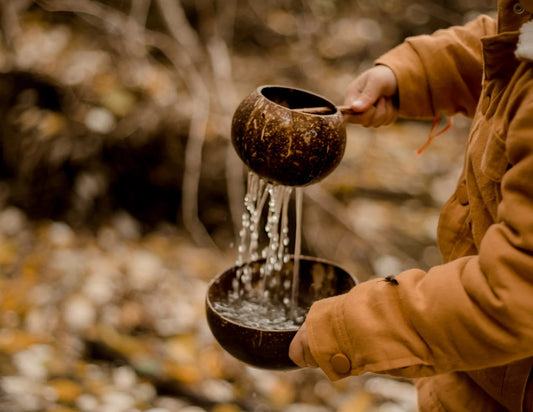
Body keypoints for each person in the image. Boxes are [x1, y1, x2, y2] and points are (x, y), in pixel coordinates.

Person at [289, 1, 533, 411]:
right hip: (478, 377)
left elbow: (514, 294)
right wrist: (411, 73)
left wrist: (350, 328)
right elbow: (514, 47)